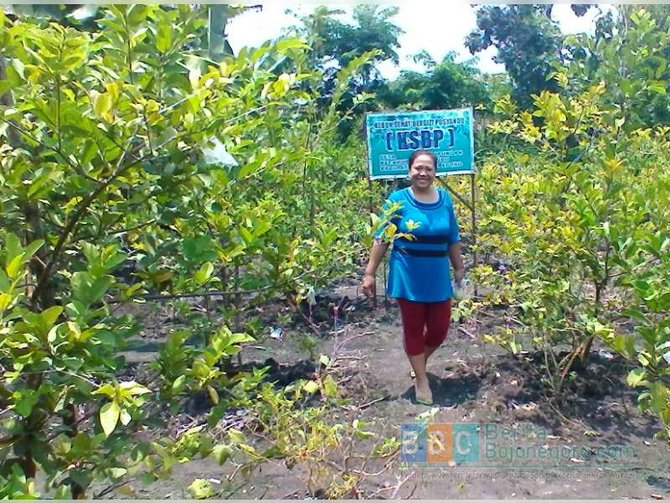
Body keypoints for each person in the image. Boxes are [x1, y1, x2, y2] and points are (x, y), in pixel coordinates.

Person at [361, 149, 464, 405]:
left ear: (435, 173)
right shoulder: (398, 200)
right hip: (408, 274)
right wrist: (369, 273)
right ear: (409, 170)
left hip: (438, 275)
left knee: (439, 329)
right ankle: (421, 379)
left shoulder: (445, 200)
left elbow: (452, 237)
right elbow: (382, 238)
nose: (423, 173)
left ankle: (419, 362)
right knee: (414, 328)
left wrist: (459, 267)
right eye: (418, 168)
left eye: (428, 169)